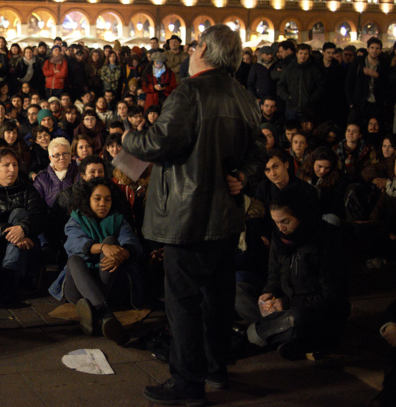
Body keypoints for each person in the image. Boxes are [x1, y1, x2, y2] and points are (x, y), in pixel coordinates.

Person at [122, 25, 265, 405]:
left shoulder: (191, 91)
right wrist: (243, 176)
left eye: (192, 46)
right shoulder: (243, 95)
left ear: (202, 49)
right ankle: (215, 369)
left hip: (188, 216)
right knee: (217, 298)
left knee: (183, 301)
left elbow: (158, 142)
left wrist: (127, 139)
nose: (187, 53)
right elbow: (260, 148)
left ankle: (187, 382)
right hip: (226, 218)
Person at [235, 184, 349, 360]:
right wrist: (269, 292)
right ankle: (281, 336)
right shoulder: (279, 239)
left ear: (302, 215)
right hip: (284, 307)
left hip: (313, 312)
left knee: (296, 318)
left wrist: (287, 304)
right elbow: (274, 274)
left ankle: (252, 336)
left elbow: (332, 298)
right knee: (239, 291)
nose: (280, 228)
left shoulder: (327, 242)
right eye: (276, 222)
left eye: (285, 221)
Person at [49, 178, 143, 344]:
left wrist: (124, 252)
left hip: (109, 284)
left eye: (107, 199)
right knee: (74, 261)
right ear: (88, 199)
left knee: (113, 242)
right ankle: (105, 313)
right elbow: (73, 244)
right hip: (78, 286)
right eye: (97, 198)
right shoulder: (76, 219)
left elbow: (131, 240)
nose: (102, 204)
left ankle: (96, 311)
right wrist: (102, 247)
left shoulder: (118, 220)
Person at [0, 148, 46, 293]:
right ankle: (14, 279)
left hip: (26, 244)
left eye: (15, 165)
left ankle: (9, 278)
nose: (12, 169)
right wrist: (15, 235)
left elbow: (39, 215)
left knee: (19, 213)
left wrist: (23, 229)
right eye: (6, 165)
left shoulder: (28, 190)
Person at [276, 44, 324, 121]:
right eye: (301, 53)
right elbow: (280, 85)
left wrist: (311, 99)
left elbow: (320, 86)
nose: (303, 56)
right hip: (291, 107)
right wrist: (287, 97)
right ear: (296, 54)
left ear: (309, 55)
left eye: (305, 53)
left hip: (308, 108)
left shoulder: (314, 70)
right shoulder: (289, 69)